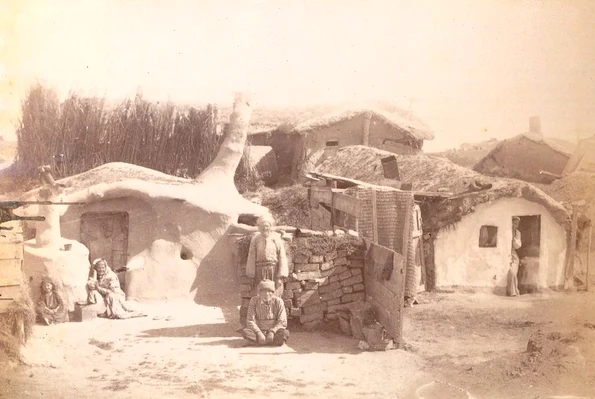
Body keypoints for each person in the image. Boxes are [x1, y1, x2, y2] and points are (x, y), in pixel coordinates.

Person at [245, 215, 289, 297]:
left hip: (273, 270)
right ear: (259, 228)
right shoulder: (255, 239)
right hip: (259, 271)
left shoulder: (276, 238)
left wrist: (280, 275)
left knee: (274, 295)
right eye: (262, 226)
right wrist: (251, 275)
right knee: (260, 294)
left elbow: (282, 256)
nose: (265, 228)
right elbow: (251, 257)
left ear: (270, 227)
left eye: (267, 226)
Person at [242, 279, 290, 346]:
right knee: (246, 332)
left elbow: (282, 321)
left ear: (273, 292)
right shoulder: (254, 301)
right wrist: (258, 332)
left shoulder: (278, 301)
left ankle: (260, 342)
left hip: (274, 331)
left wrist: (272, 331)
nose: (267, 294)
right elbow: (250, 320)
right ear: (259, 292)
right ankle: (269, 342)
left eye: (269, 291)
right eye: (264, 291)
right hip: (259, 330)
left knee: (285, 333)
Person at [507, 217, 522, 297]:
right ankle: (511, 291)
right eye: (513, 223)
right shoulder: (506, 230)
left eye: (517, 224)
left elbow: (518, 246)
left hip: (513, 253)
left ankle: (514, 291)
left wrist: (514, 239)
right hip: (505, 252)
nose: (515, 225)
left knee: (513, 272)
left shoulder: (518, 233)